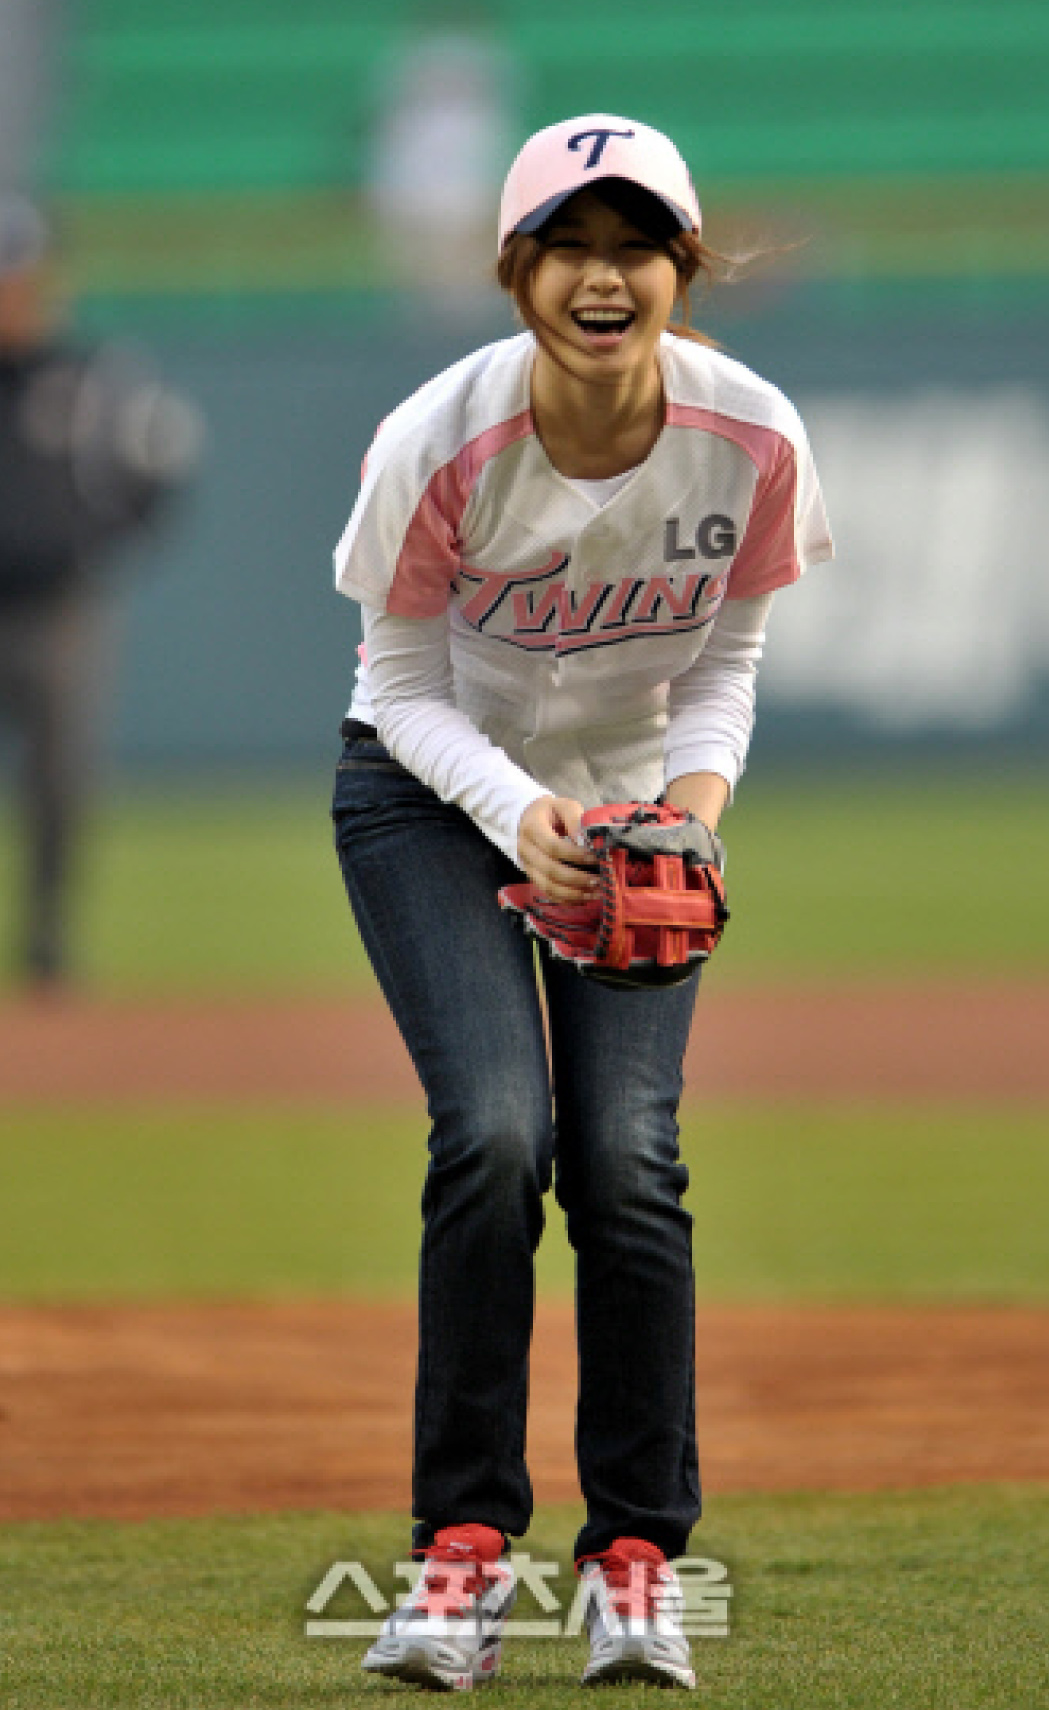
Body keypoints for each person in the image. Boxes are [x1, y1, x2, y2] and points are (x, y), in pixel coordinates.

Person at [331, 114, 832, 1691]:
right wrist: (521, 814)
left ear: (682, 270)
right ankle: (461, 1551)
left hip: (631, 813)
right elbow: (397, 689)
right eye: (569, 248)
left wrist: (686, 820)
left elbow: (726, 665)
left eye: (634, 248)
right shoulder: (439, 437)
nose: (601, 278)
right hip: (430, 796)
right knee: (495, 1133)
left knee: (625, 1157)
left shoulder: (752, 436)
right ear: (516, 271)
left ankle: (634, 1561)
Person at [0, 195, 201, 987]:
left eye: (19, 277)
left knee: (60, 784)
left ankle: (47, 946)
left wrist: (104, 543)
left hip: (60, 605)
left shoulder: (91, 378)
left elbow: (161, 461)